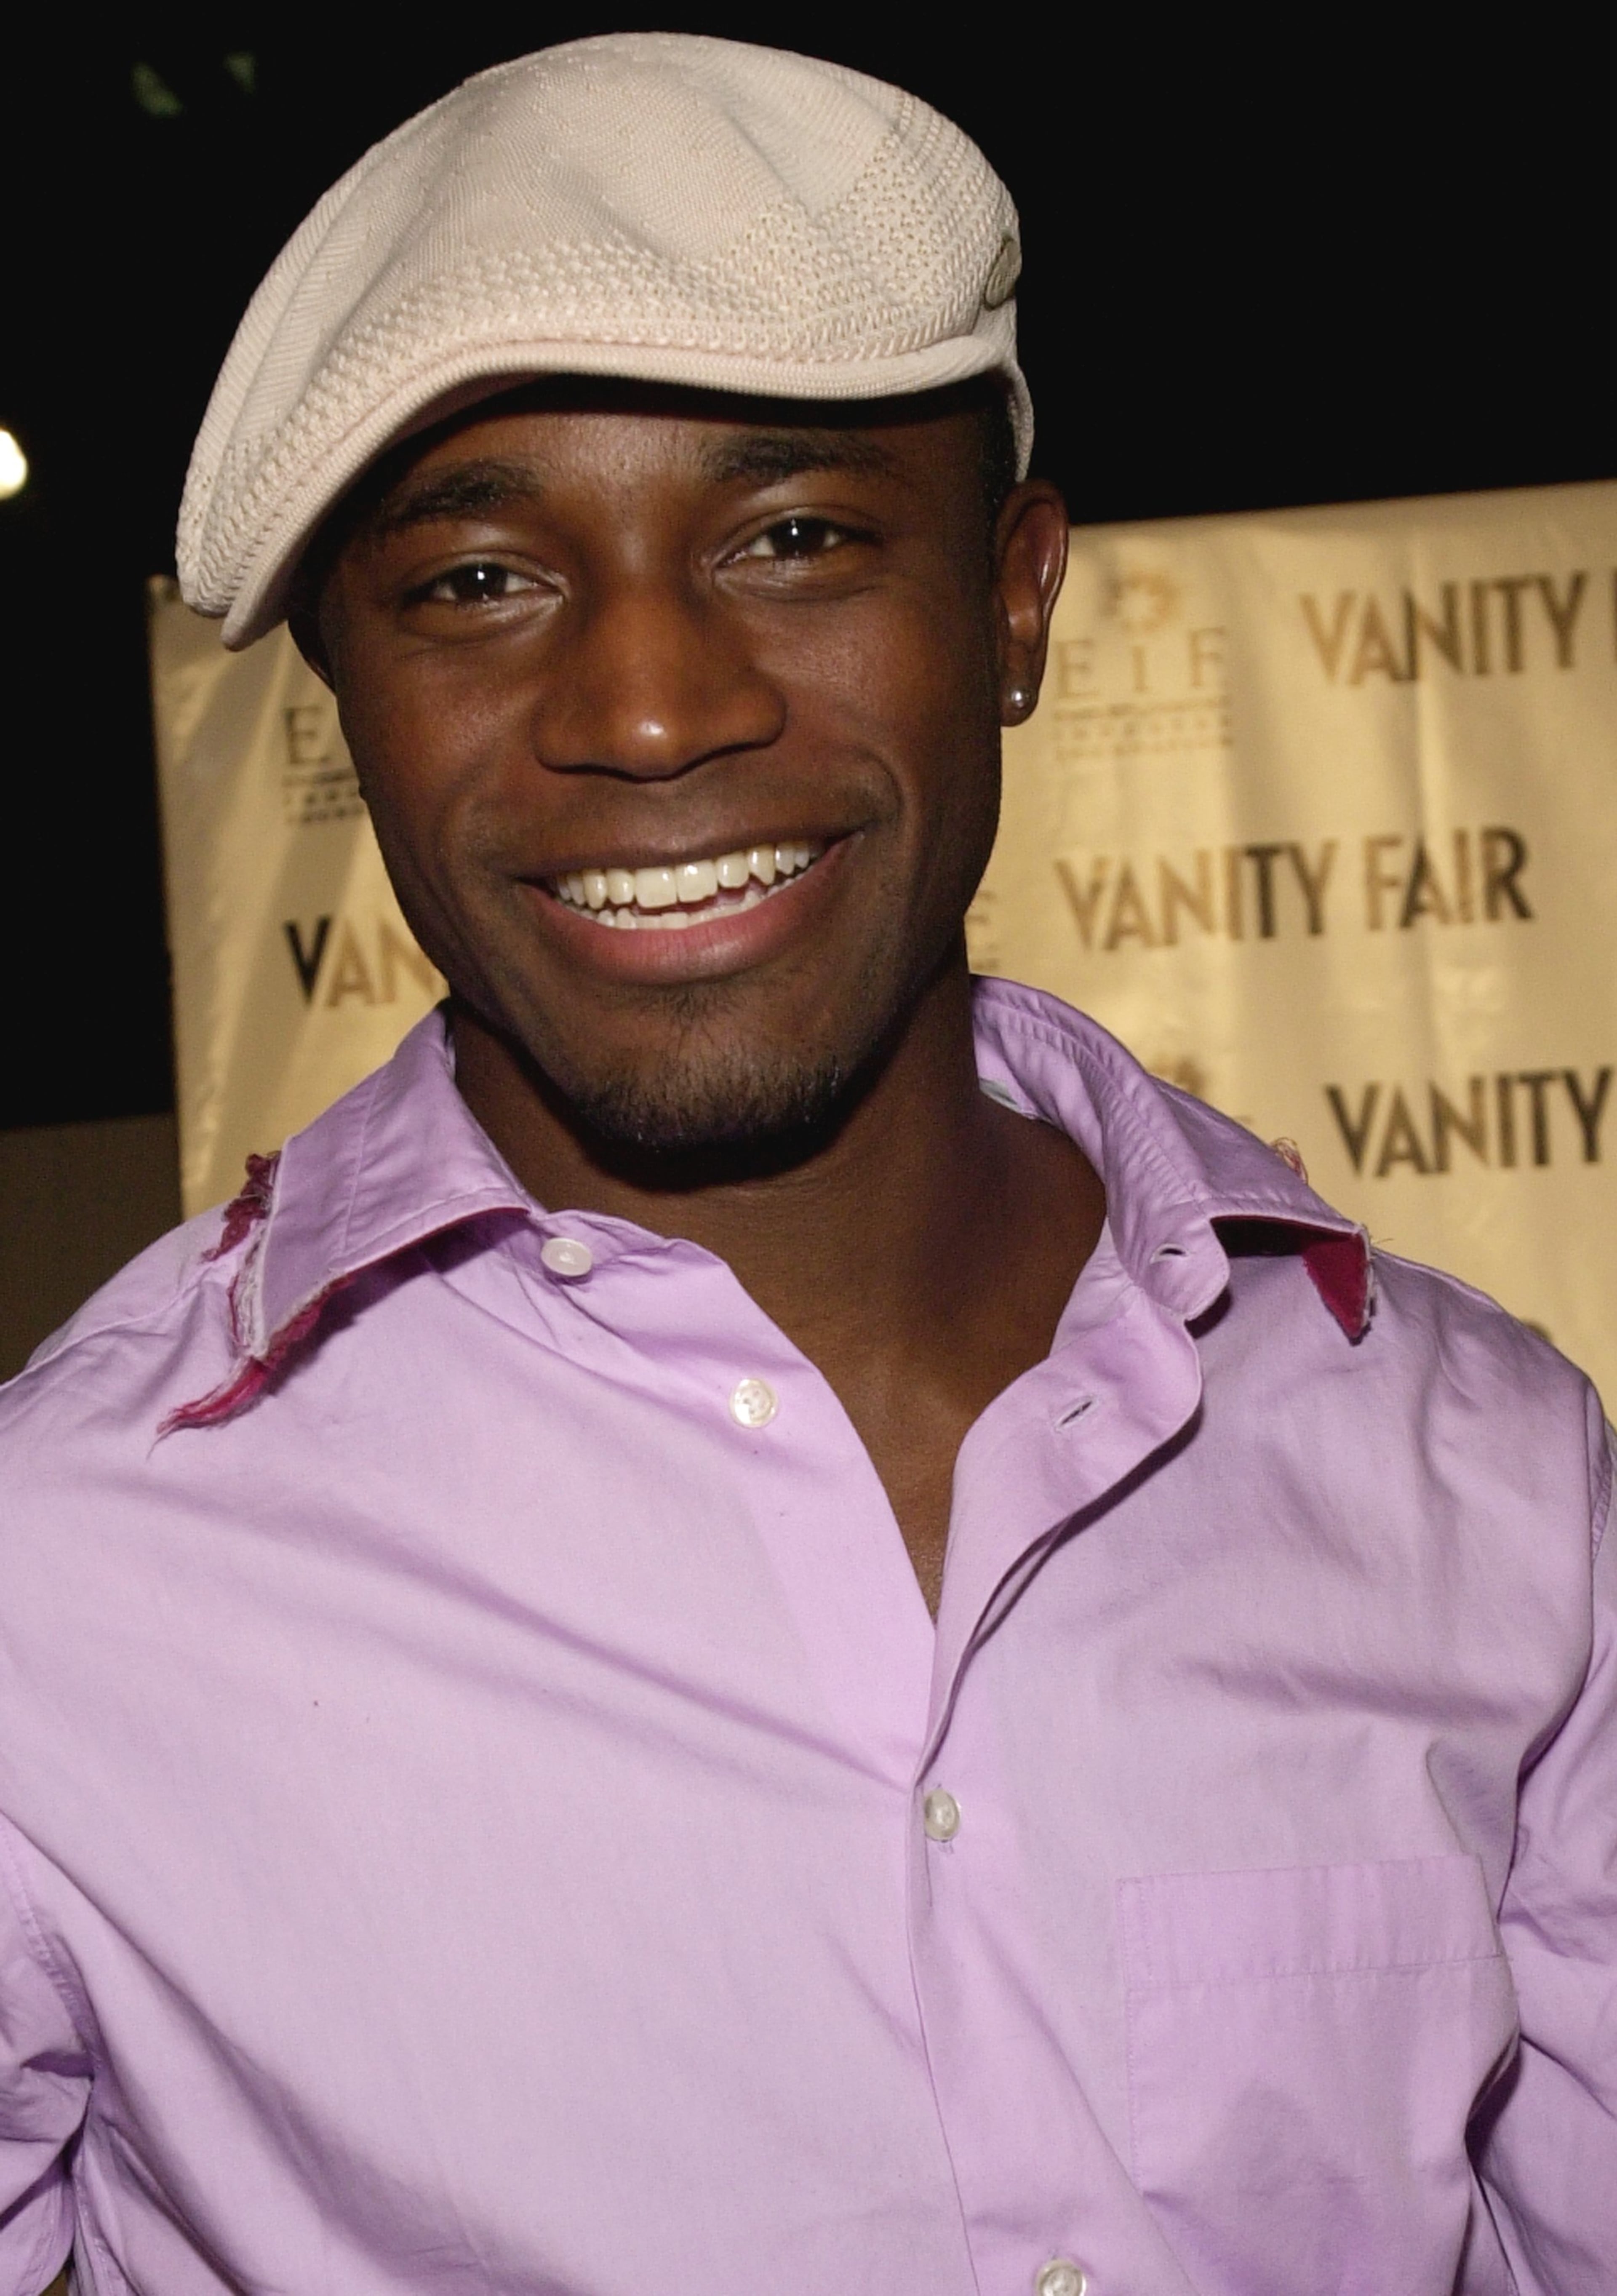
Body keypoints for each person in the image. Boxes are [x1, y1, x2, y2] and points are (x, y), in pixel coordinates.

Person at [2, 34, 1612, 2296]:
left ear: (1018, 604)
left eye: (793, 537)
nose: (651, 706)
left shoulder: (1497, 1486)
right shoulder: (54, 1587)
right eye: (473, 580)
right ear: (342, 704)